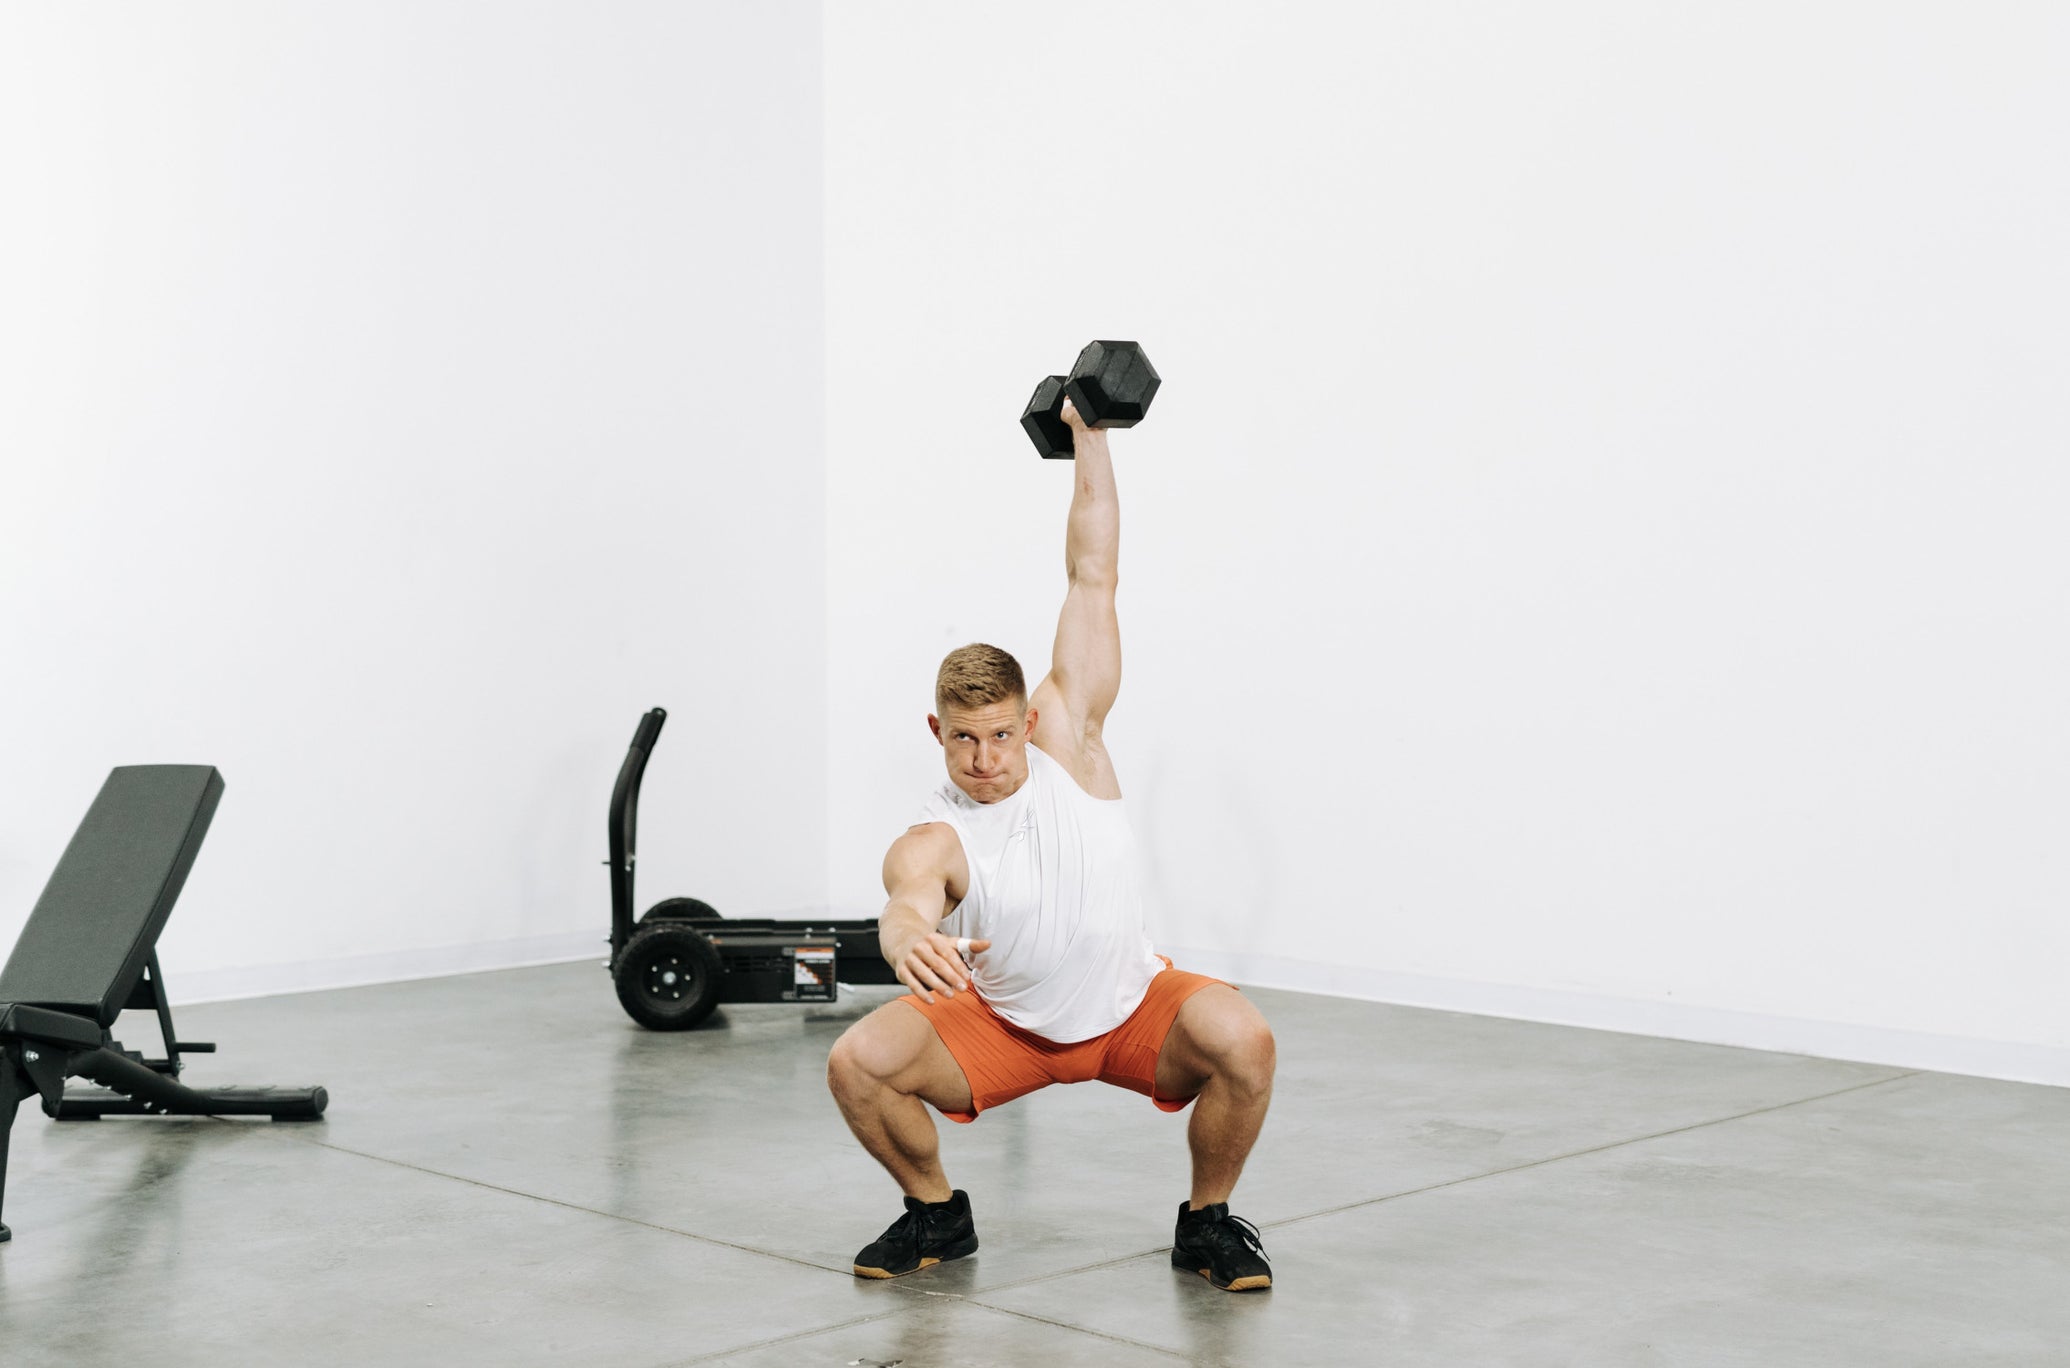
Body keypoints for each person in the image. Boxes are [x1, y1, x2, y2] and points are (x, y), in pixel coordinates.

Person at [825, 397, 1278, 1293]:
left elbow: (1093, 571)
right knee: (856, 1063)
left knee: (1246, 1039)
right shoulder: (938, 830)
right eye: (963, 738)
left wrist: (1091, 439)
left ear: (1027, 719)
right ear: (936, 730)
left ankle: (1208, 1225)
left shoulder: (1070, 744)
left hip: (1130, 1007)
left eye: (1000, 734)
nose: (986, 759)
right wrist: (904, 934)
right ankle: (936, 1217)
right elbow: (910, 895)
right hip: (1006, 1027)